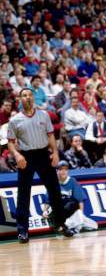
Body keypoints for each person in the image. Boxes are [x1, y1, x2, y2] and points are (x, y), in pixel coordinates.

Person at [6, 87, 74, 243]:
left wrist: (55, 153)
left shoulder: (44, 115)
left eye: (30, 95)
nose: (28, 97)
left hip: (44, 154)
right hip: (26, 156)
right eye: (24, 95)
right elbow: (10, 143)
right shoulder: (15, 120)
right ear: (20, 100)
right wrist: (17, 155)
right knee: (23, 194)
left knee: (54, 190)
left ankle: (61, 224)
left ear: (33, 97)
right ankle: (22, 231)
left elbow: (50, 136)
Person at [42, 160, 98, 233]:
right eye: (61, 169)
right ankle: (61, 225)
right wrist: (44, 211)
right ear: (57, 171)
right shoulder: (53, 182)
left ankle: (68, 226)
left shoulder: (72, 181)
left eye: (65, 169)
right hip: (57, 211)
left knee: (94, 225)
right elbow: (47, 200)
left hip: (69, 212)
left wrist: (81, 214)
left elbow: (80, 199)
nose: (63, 171)